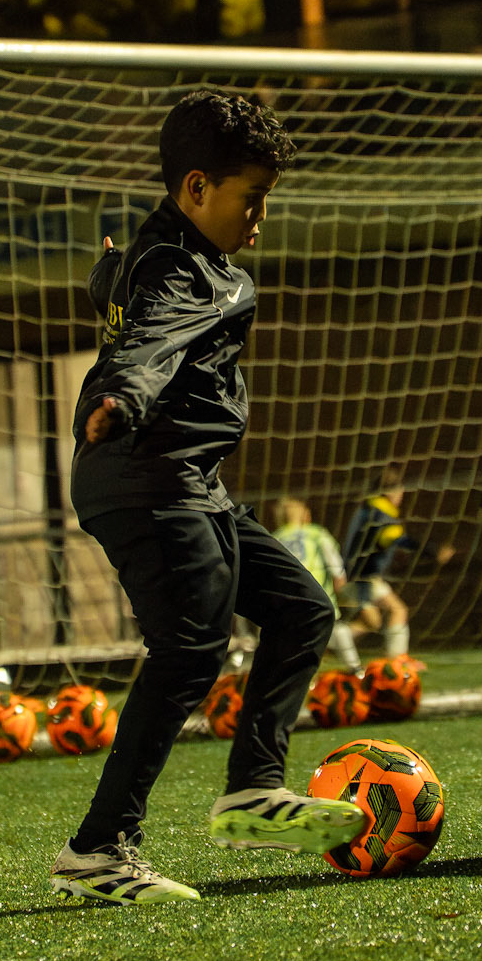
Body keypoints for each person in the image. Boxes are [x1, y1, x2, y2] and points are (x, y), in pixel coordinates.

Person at [52, 89, 366, 906]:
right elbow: (150, 341)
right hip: (145, 474)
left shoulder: (158, 256)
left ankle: (252, 792)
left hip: (186, 479)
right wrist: (120, 395)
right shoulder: (185, 272)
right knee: (191, 650)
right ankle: (98, 848)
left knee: (302, 609)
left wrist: (106, 283)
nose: (259, 217)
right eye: (250, 198)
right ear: (196, 188)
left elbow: (132, 305)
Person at [341, 466, 453, 659]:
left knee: (380, 618)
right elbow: (401, 540)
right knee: (391, 613)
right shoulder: (381, 516)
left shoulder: (368, 509)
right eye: (400, 491)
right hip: (362, 578)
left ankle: (394, 658)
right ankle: (396, 660)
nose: (401, 495)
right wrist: (433, 551)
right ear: (390, 492)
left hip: (360, 576)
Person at [272, 497, 361, 672]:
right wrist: (340, 580)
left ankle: (294, 675)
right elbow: (333, 560)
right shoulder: (316, 533)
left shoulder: (276, 537)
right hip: (316, 593)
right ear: (304, 514)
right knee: (338, 630)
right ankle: (355, 669)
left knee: (295, 639)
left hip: (287, 599)